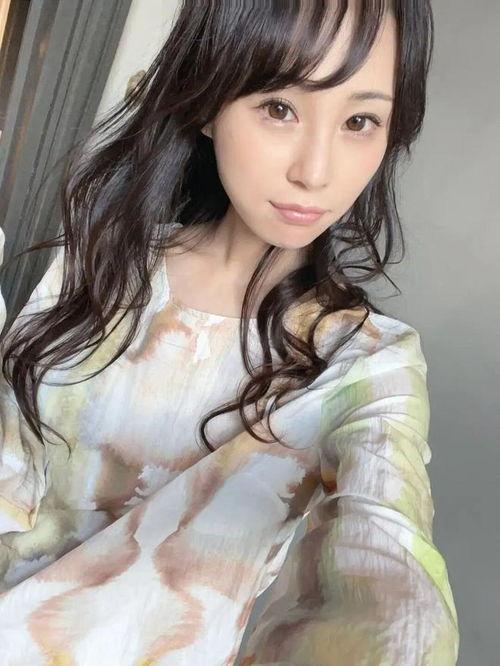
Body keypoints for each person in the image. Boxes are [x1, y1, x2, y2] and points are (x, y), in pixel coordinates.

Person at [0, 1, 459, 664]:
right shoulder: (102, 260)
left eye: (360, 121)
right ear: (210, 102)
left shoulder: (364, 366)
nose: (316, 171)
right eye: (279, 107)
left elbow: (387, 569)